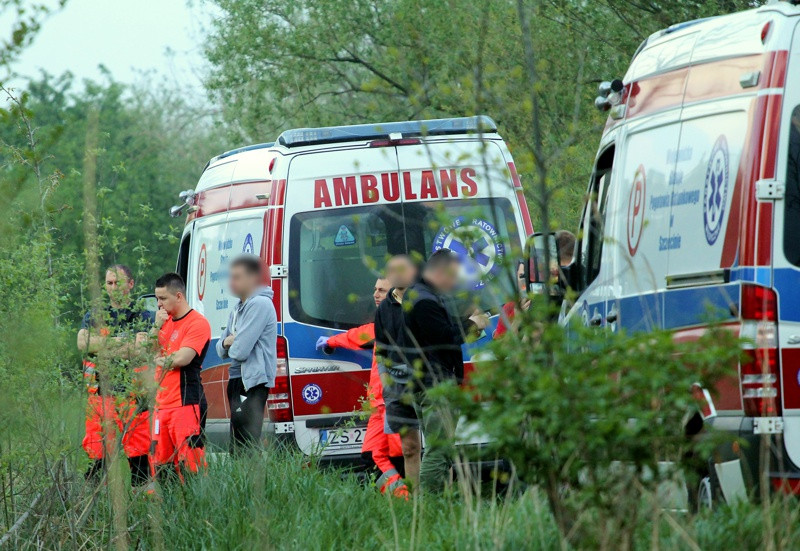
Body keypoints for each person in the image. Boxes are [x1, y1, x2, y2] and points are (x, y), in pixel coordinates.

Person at [383, 250, 488, 492]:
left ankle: (437, 502)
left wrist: (468, 320)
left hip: (428, 382)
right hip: (433, 384)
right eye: (452, 276)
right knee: (439, 450)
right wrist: (475, 324)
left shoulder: (423, 295)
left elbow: (444, 327)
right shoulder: (424, 300)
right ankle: (429, 506)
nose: (454, 283)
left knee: (441, 448)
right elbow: (445, 337)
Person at [317, 272, 410, 497]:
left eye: (381, 290)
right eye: (375, 289)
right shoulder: (387, 317)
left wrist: (331, 341)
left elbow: (362, 335)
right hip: (380, 403)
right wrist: (331, 342)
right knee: (372, 456)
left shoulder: (397, 317)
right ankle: (403, 500)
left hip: (393, 400)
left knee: (401, 456)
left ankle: (409, 504)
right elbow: (363, 336)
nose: (375, 294)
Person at [77, 264, 153, 486]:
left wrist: (102, 346)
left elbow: (140, 349)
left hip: (134, 396)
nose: (112, 288)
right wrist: (123, 342)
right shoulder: (96, 314)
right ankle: (92, 507)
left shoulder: (142, 315)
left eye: (117, 283)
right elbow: (83, 342)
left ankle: (144, 505)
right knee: (95, 454)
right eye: (109, 283)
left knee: (139, 456)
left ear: (130, 284)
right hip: (100, 396)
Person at [151, 273, 211, 480]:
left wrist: (159, 360)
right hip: (162, 405)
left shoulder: (197, 323)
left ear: (179, 296)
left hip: (186, 401)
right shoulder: (164, 323)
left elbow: (183, 358)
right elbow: (145, 351)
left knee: (190, 462)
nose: (159, 304)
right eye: (157, 299)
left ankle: (197, 507)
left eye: (163, 299)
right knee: (162, 466)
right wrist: (155, 327)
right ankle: (170, 509)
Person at [216, 255, 277, 454]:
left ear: (252, 279)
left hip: (250, 383)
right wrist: (228, 342)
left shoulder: (259, 304)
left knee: (245, 444)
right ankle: (242, 484)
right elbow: (220, 349)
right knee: (237, 443)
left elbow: (240, 352)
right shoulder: (238, 308)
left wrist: (232, 343)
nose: (232, 283)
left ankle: (253, 484)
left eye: (237, 277)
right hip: (237, 379)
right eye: (231, 277)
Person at [493, 260, 530, 338]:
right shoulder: (508, 307)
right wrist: (516, 321)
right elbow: (501, 346)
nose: (525, 280)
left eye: (530, 276)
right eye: (521, 276)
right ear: (516, 278)